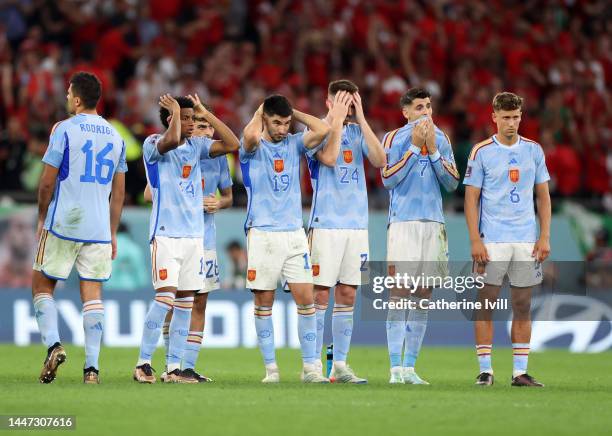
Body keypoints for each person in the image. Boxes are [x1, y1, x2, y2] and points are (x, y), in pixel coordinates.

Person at [133, 94, 239, 384]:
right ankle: (143, 363)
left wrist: (207, 112)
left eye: (195, 118)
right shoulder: (154, 144)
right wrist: (178, 115)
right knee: (165, 297)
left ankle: (173, 368)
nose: (194, 123)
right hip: (166, 235)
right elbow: (169, 142)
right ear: (172, 119)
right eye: (188, 118)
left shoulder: (198, 147)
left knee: (185, 303)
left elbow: (233, 144)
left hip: (195, 237)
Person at [32, 71, 127, 384]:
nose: (66, 98)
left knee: (42, 285)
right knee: (93, 294)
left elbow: (47, 181)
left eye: (67, 93)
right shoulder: (116, 136)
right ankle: (92, 370)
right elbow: (119, 194)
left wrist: (42, 215)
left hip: (64, 222)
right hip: (99, 227)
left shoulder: (64, 129)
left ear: (76, 98)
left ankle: (54, 345)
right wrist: (112, 232)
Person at [240, 94, 330, 383]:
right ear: (265, 118)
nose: (282, 129)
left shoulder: (294, 143)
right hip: (262, 232)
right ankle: (271, 369)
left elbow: (323, 130)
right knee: (264, 301)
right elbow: (250, 136)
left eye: (286, 123)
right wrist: (259, 111)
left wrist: (296, 113)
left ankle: (310, 368)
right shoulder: (252, 148)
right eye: (276, 122)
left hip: (293, 233)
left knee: (307, 299)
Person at [464, 92, 551, 387]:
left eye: (515, 117)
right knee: (485, 303)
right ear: (495, 117)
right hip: (493, 239)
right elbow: (471, 198)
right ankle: (485, 370)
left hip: (526, 239)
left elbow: (543, 196)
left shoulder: (534, 151)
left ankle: (519, 372)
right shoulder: (482, 151)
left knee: (523, 304)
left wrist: (544, 236)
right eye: (506, 118)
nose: (511, 123)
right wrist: (475, 239)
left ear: (520, 117)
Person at [306, 79, 386, 383]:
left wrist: (362, 119)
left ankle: (339, 366)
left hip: (356, 226)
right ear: (329, 103)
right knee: (319, 295)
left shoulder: (357, 130)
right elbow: (328, 158)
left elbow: (380, 160)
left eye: (353, 102)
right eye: (342, 102)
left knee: (348, 293)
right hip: (325, 224)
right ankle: (312, 365)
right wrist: (336, 121)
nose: (348, 108)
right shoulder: (315, 130)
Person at [381, 87, 459, 384]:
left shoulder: (442, 138)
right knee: (399, 294)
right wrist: (415, 147)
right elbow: (388, 179)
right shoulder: (393, 138)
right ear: (406, 112)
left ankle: (411, 367)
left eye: (428, 106)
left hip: (433, 224)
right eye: (418, 107)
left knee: (423, 296)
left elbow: (452, 183)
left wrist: (434, 150)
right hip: (403, 222)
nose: (425, 112)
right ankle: (394, 369)